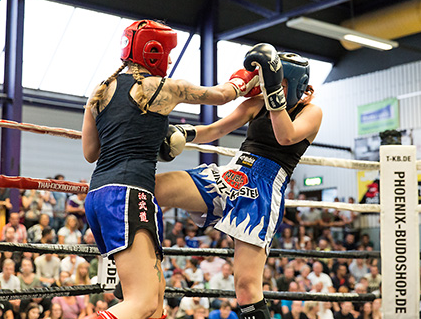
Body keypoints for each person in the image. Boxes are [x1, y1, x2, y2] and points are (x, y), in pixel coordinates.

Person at [82, 20, 258, 319]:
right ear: (154, 51)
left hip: (98, 195)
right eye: (168, 51)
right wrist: (249, 75)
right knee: (143, 303)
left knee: (157, 298)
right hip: (129, 194)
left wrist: (145, 135)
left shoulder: (99, 92)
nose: (170, 59)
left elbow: (90, 153)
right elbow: (222, 95)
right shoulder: (163, 87)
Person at [155, 44, 322, 319]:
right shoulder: (256, 104)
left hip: (263, 189)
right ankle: (141, 276)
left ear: (292, 84)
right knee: (157, 189)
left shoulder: (311, 112)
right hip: (232, 174)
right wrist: (183, 133)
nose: (269, 86)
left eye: (275, 81)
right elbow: (216, 129)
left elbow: (286, 136)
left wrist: (274, 95)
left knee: (246, 286)